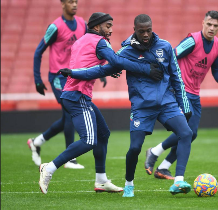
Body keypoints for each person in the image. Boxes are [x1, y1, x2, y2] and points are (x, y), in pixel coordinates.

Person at [38, 12, 164, 194]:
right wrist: (146, 69)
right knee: (89, 140)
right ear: (97, 27)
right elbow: (116, 61)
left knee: (103, 134)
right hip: (77, 95)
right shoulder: (100, 42)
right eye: (108, 26)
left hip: (73, 94)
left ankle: (101, 180)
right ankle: (49, 168)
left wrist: (108, 70)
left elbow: (89, 64)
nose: (111, 30)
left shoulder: (81, 41)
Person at [145, 10, 218, 180]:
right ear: (203, 23)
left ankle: (162, 165)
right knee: (185, 132)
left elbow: (217, 70)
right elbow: (172, 55)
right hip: (180, 92)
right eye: (209, 24)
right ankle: (157, 155)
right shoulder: (193, 40)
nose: (211, 28)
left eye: (215, 25)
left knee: (191, 134)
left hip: (195, 94)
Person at [27, 0, 107, 169]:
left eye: (76, 1)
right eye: (71, 1)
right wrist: (37, 78)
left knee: (68, 115)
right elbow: (38, 51)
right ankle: (69, 159)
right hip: (58, 76)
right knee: (71, 113)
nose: (75, 5)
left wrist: (100, 70)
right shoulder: (54, 27)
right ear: (62, 3)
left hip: (76, 75)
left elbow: (91, 46)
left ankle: (37, 141)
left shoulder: (82, 24)